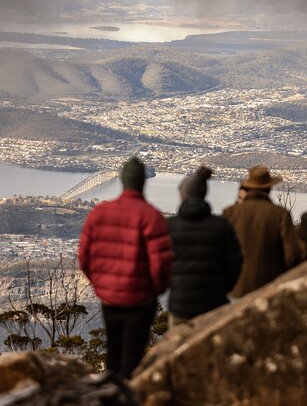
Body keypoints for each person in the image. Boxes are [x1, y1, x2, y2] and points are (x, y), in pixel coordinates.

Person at [78, 157, 173, 379]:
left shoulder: (99, 213)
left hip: (109, 297)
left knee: (113, 348)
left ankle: (110, 394)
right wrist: (154, 291)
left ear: (122, 180)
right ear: (142, 182)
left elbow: (84, 256)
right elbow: (161, 264)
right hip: (141, 299)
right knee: (133, 355)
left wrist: (101, 285)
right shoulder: (151, 217)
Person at [167, 166, 242, 327]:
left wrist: (174, 286)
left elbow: (159, 265)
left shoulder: (170, 226)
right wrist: (223, 289)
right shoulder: (222, 226)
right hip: (214, 303)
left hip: (180, 303)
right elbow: (235, 264)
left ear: (183, 196)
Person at [223, 165, 301, 298]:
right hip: (268, 289)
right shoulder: (280, 214)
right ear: (269, 188)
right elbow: (292, 255)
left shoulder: (230, 212)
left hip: (234, 287)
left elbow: (220, 250)